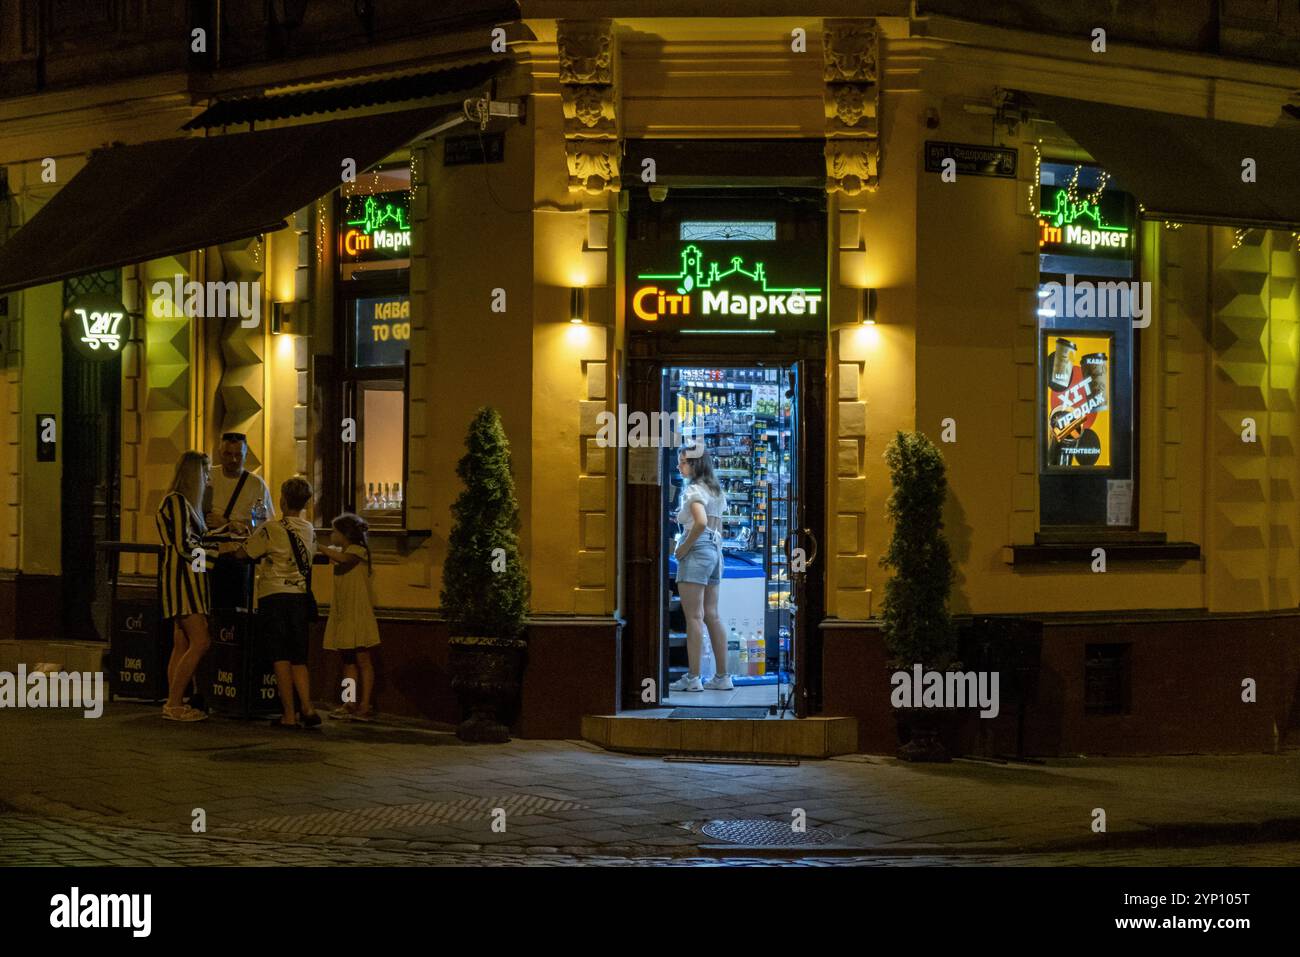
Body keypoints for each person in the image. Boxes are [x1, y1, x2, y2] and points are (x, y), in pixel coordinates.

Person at [221, 476, 319, 729]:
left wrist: (230, 548)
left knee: (280, 656)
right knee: (299, 655)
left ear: (282, 500)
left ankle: (288, 714)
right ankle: (307, 706)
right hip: (299, 597)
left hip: (273, 596)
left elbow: (245, 553)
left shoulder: (271, 528)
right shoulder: (309, 530)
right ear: (306, 502)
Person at [157, 451, 213, 722]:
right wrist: (212, 556)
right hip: (183, 581)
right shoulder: (177, 502)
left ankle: (174, 701)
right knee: (201, 640)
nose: (208, 477)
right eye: (205, 472)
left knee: (181, 643)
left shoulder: (181, 503)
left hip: (185, 579)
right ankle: (175, 702)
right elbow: (184, 545)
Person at [670, 444, 731, 693]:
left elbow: (701, 522)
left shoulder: (693, 490)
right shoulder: (715, 490)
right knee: (712, 615)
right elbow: (715, 524)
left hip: (697, 549)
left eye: (683, 461)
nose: (679, 466)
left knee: (693, 617)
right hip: (716, 551)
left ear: (695, 464)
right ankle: (722, 676)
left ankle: (693, 678)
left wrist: (683, 548)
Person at [204, 432, 275, 612]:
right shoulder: (208, 477)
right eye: (228, 454)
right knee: (206, 606)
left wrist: (228, 522)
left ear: (246, 455)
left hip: (238, 558)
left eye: (238, 455)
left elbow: (263, 526)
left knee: (236, 610)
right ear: (220, 453)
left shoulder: (255, 485)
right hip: (207, 554)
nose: (234, 460)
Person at [319, 513, 381, 720]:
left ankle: (364, 704)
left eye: (334, 531)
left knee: (363, 659)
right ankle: (349, 702)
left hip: (357, 613)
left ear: (345, 534)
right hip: (344, 613)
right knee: (347, 660)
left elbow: (344, 558)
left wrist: (318, 546)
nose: (331, 534)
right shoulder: (341, 551)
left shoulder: (358, 551)